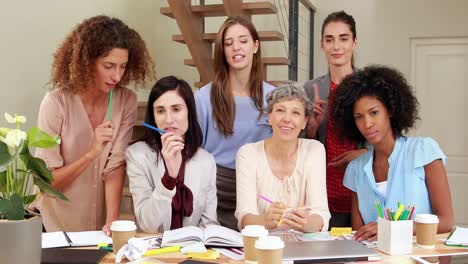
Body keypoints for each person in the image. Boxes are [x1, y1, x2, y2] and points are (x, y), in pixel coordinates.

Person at [34, 15, 155, 234]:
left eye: (123, 66)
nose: (117, 75)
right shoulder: (56, 104)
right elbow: (47, 183)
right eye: (108, 66)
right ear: (87, 61)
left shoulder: (125, 101)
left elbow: (115, 166)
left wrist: (112, 222)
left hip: (94, 230)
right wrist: (91, 153)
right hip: (51, 227)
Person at [331, 65, 454, 241]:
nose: (367, 124)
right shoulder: (356, 169)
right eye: (359, 117)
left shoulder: (423, 151)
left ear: (390, 110)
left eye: (374, 113)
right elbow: (359, 233)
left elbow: (445, 221)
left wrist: (390, 228)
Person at [195, 16, 275, 230]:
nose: (236, 48)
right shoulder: (204, 97)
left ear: (255, 46)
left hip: (257, 190)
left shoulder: (273, 98)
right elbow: (194, 151)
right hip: (214, 189)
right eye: (228, 43)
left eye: (243, 41)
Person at [126, 76, 218, 233]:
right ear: (153, 117)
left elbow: (209, 225)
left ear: (189, 112)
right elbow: (147, 224)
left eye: (176, 109)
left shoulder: (206, 161)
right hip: (153, 249)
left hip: (192, 251)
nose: (168, 119)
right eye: (160, 111)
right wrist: (169, 179)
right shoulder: (137, 155)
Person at [235, 82, 330, 232]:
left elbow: (321, 215)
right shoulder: (248, 154)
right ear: (269, 117)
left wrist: (307, 224)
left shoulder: (314, 150)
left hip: (304, 247)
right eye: (280, 110)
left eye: (296, 113)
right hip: (262, 247)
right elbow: (244, 218)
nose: (287, 119)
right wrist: (264, 220)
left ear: (305, 122)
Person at [303, 11, 366, 228]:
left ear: (354, 42)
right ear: (322, 44)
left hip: (361, 197)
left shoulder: (370, 87)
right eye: (329, 40)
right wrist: (310, 129)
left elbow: (390, 143)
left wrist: (364, 153)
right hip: (320, 200)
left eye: (343, 38)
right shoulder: (309, 90)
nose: (336, 46)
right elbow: (296, 147)